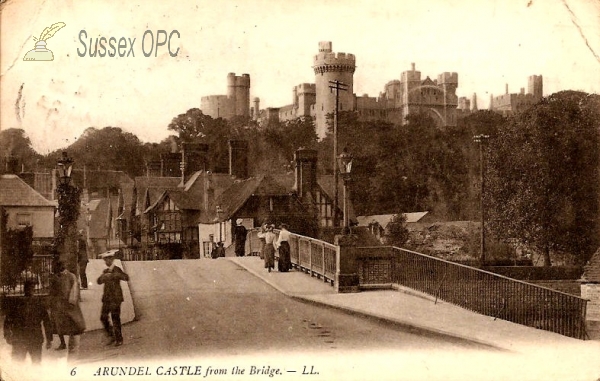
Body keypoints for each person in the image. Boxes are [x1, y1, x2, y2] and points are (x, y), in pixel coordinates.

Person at [3, 280, 52, 364]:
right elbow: (47, 322)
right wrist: (49, 339)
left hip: (21, 338)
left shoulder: (16, 303)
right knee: (34, 363)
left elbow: (7, 321)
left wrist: (7, 336)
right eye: (31, 289)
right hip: (33, 338)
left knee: (18, 364)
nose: (30, 291)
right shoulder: (38, 303)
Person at [52, 261, 85, 354]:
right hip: (62, 304)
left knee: (68, 323)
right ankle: (64, 343)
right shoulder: (60, 277)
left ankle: (66, 343)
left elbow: (73, 289)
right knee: (60, 323)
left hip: (67, 304)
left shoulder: (69, 276)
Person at [97, 250, 130, 347]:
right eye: (105, 260)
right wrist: (104, 277)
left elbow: (126, 277)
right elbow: (99, 281)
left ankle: (119, 339)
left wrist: (114, 275)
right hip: (106, 299)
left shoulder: (117, 269)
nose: (107, 262)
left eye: (109, 259)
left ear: (112, 259)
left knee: (115, 318)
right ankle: (111, 335)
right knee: (103, 317)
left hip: (116, 298)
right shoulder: (105, 271)